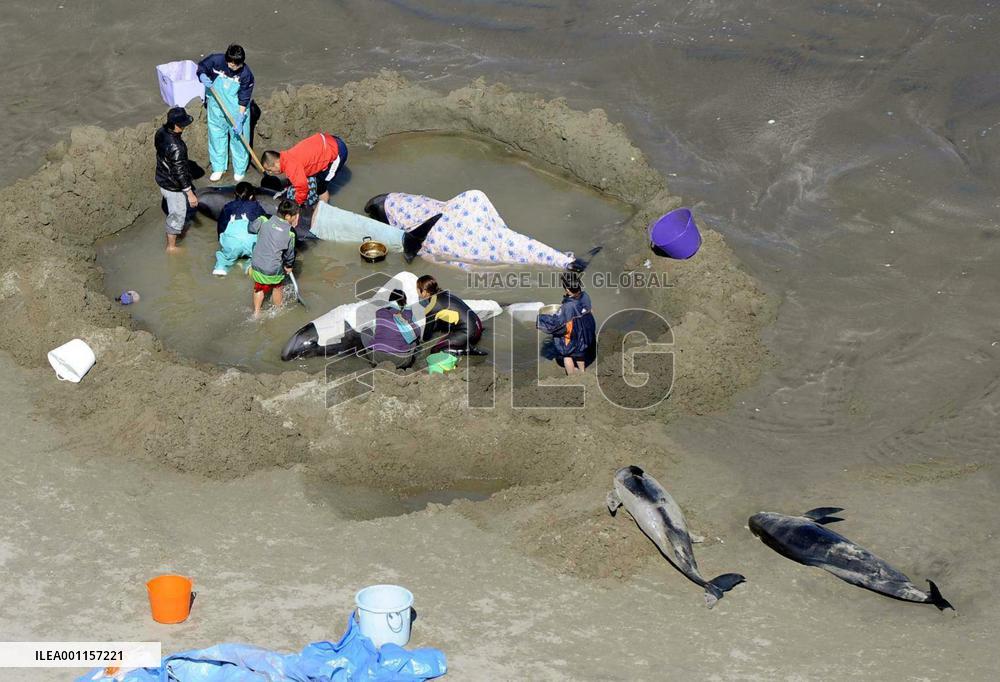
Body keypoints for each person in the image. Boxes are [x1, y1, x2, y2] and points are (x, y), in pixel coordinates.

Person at [197, 44, 255, 183]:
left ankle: (239, 169)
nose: (233, 67)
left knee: (238, 138)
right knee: (216, 135)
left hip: (236, 109)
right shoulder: (216, 60)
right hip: (216, 104)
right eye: (230, 64)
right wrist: (202, 75)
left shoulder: (246, 75)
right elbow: (201, 67)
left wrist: (240, 118)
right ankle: (218, 167)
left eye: (236, 65)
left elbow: (244, 98)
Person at [261, 132, 348, 217]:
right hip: (326, 140)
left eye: (270, 170)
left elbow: (303, 188)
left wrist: (296, 206)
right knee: (314, 176)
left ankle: (320, 215)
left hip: (337, 151)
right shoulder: (286, 156)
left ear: (276, 163)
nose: (270, 173)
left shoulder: (291, 168)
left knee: (322, 187)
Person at [154, 106, 198, 252]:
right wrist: (190, 193)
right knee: (177, 214)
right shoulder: (177, 147)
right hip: (173, 186)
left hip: (162, 178)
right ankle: (171, 247)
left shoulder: (161, 132)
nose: (184, 127)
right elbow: (179, 172)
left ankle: (177, 235)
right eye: (182, 125)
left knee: (174, 210)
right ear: (175, 125)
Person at [538, 273, 596, 374]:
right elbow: (589, 310)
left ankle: (572, 376)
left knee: (567, 354)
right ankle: (582, 371)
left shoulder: (568, 306)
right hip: (586, 329)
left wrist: (541, 319)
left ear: (568, 290)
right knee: (580, 351)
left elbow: (558, 322)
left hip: (574, 330)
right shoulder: (585, 295)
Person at [248, 200, 298, 318]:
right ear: (288, 216)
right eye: (296, 216)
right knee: (277, 287)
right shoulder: (291, 233)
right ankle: (278, 309)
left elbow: (251, 228)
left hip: (256, 264)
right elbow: (289, 254)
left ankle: (256, 312)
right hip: (273, 269)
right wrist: (289, 266)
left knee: (258, 286)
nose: (297, 218)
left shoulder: (264, 219)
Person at [415, 275, 486, 356]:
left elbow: (426, 336)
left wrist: (419, 342)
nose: (416, 291)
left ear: (424, 292)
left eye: (417, 289)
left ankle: (466, 350)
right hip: (478, 325)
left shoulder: (432, 307)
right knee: (440, 323)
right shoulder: (444, 293)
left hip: (471, 333)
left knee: (435, 350)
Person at [212, 181, 268, 276]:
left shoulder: (227, 207)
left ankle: (220, 268)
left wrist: (222, 242)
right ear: (251, 196)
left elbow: (221, 227)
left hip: (232, 244)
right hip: (250, 244)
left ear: (235, 195)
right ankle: (249, 265)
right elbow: (264, 223)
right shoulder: (256, 206)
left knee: (225, 257)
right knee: (255, 255)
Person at [359, 289, 420, 369]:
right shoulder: (405, 314)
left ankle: (372, 360)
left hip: (377, 357)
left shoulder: (380, 312)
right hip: (400, 360)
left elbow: (376, 331)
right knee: (414, 341)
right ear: (404, 302)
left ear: (390, 300)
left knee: (365, 330)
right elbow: (417, 333)